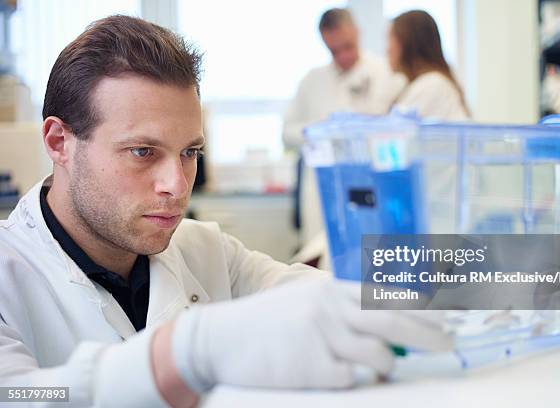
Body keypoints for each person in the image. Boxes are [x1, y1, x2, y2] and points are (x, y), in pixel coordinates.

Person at [0, 16, 451, 407]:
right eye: (142, 151)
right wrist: (180, 355)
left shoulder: (205, 249)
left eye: (190, 152)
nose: (176, 186)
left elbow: (333, 299)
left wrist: (498, 274)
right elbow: (20, 394)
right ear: (60, 142)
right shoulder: (8, 271)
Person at [283, 8, 404, 252]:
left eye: (348, 46)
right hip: (321, 188)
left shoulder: (385, 72)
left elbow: (397, 131)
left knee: (371, 257)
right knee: (319, 260)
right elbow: (287, 133)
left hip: (370, 182)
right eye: (334, 50)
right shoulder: (311, 81)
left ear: (357, 32)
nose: (343, 56)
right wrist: (321, 129)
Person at [387, 10, 469, 120]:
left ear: (407, 45)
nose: (388, 49)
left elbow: (391, 133)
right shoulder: (431, 83)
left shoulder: (432, 84)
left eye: (390, 41)